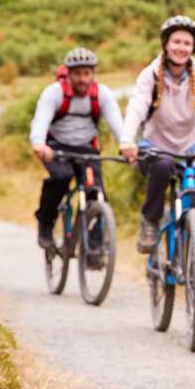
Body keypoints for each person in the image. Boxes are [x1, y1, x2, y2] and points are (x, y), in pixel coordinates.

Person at [119, 15, 195, 310]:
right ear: (166, 44)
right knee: (160, 167)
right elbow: (136, 106)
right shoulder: (151, 75)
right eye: (177, 41)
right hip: (156, 144)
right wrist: (126, 140)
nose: (182, 47)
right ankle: (150, 220)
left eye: (187, 42)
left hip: (194, 145)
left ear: (193, 47)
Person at [30, 47, 124, 256]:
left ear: (93, 74)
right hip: (56, 148)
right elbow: (41, 121)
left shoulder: (102, 94)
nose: (82, 79)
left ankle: (94, 248)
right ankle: (46, 223)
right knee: (61, 177)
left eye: (86, 73)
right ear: (68, 73)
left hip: (86, 149)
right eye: (77, 74)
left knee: (96, 193)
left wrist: (127, 146)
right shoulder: (54, 92)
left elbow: (119, 126)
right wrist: (39, 144)